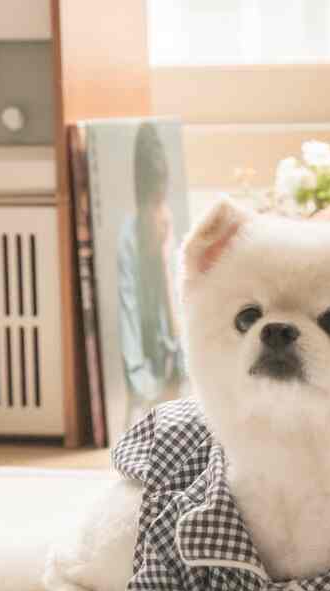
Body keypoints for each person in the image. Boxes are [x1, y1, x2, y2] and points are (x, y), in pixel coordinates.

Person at [118, 122, 185, 426]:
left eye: (162, 198)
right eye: (153, 200)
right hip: (147, 373)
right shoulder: (130, 237)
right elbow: (128, 308)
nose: (160, 208)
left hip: (176, 359)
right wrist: (139, 380)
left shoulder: (173, 228)